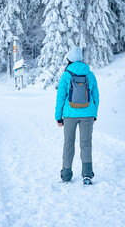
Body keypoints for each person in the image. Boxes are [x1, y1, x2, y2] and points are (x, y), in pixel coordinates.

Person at [55, 47, 99, 184]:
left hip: (69, 114)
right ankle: (87, 174)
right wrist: (94, 113)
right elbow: (96, 96)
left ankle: (66, 175)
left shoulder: (66, 75)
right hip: (88, 113)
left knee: (69, 143)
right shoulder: (90, 74)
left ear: (70, 60)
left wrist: (58, 116)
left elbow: (60, 97)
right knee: (86, 144)